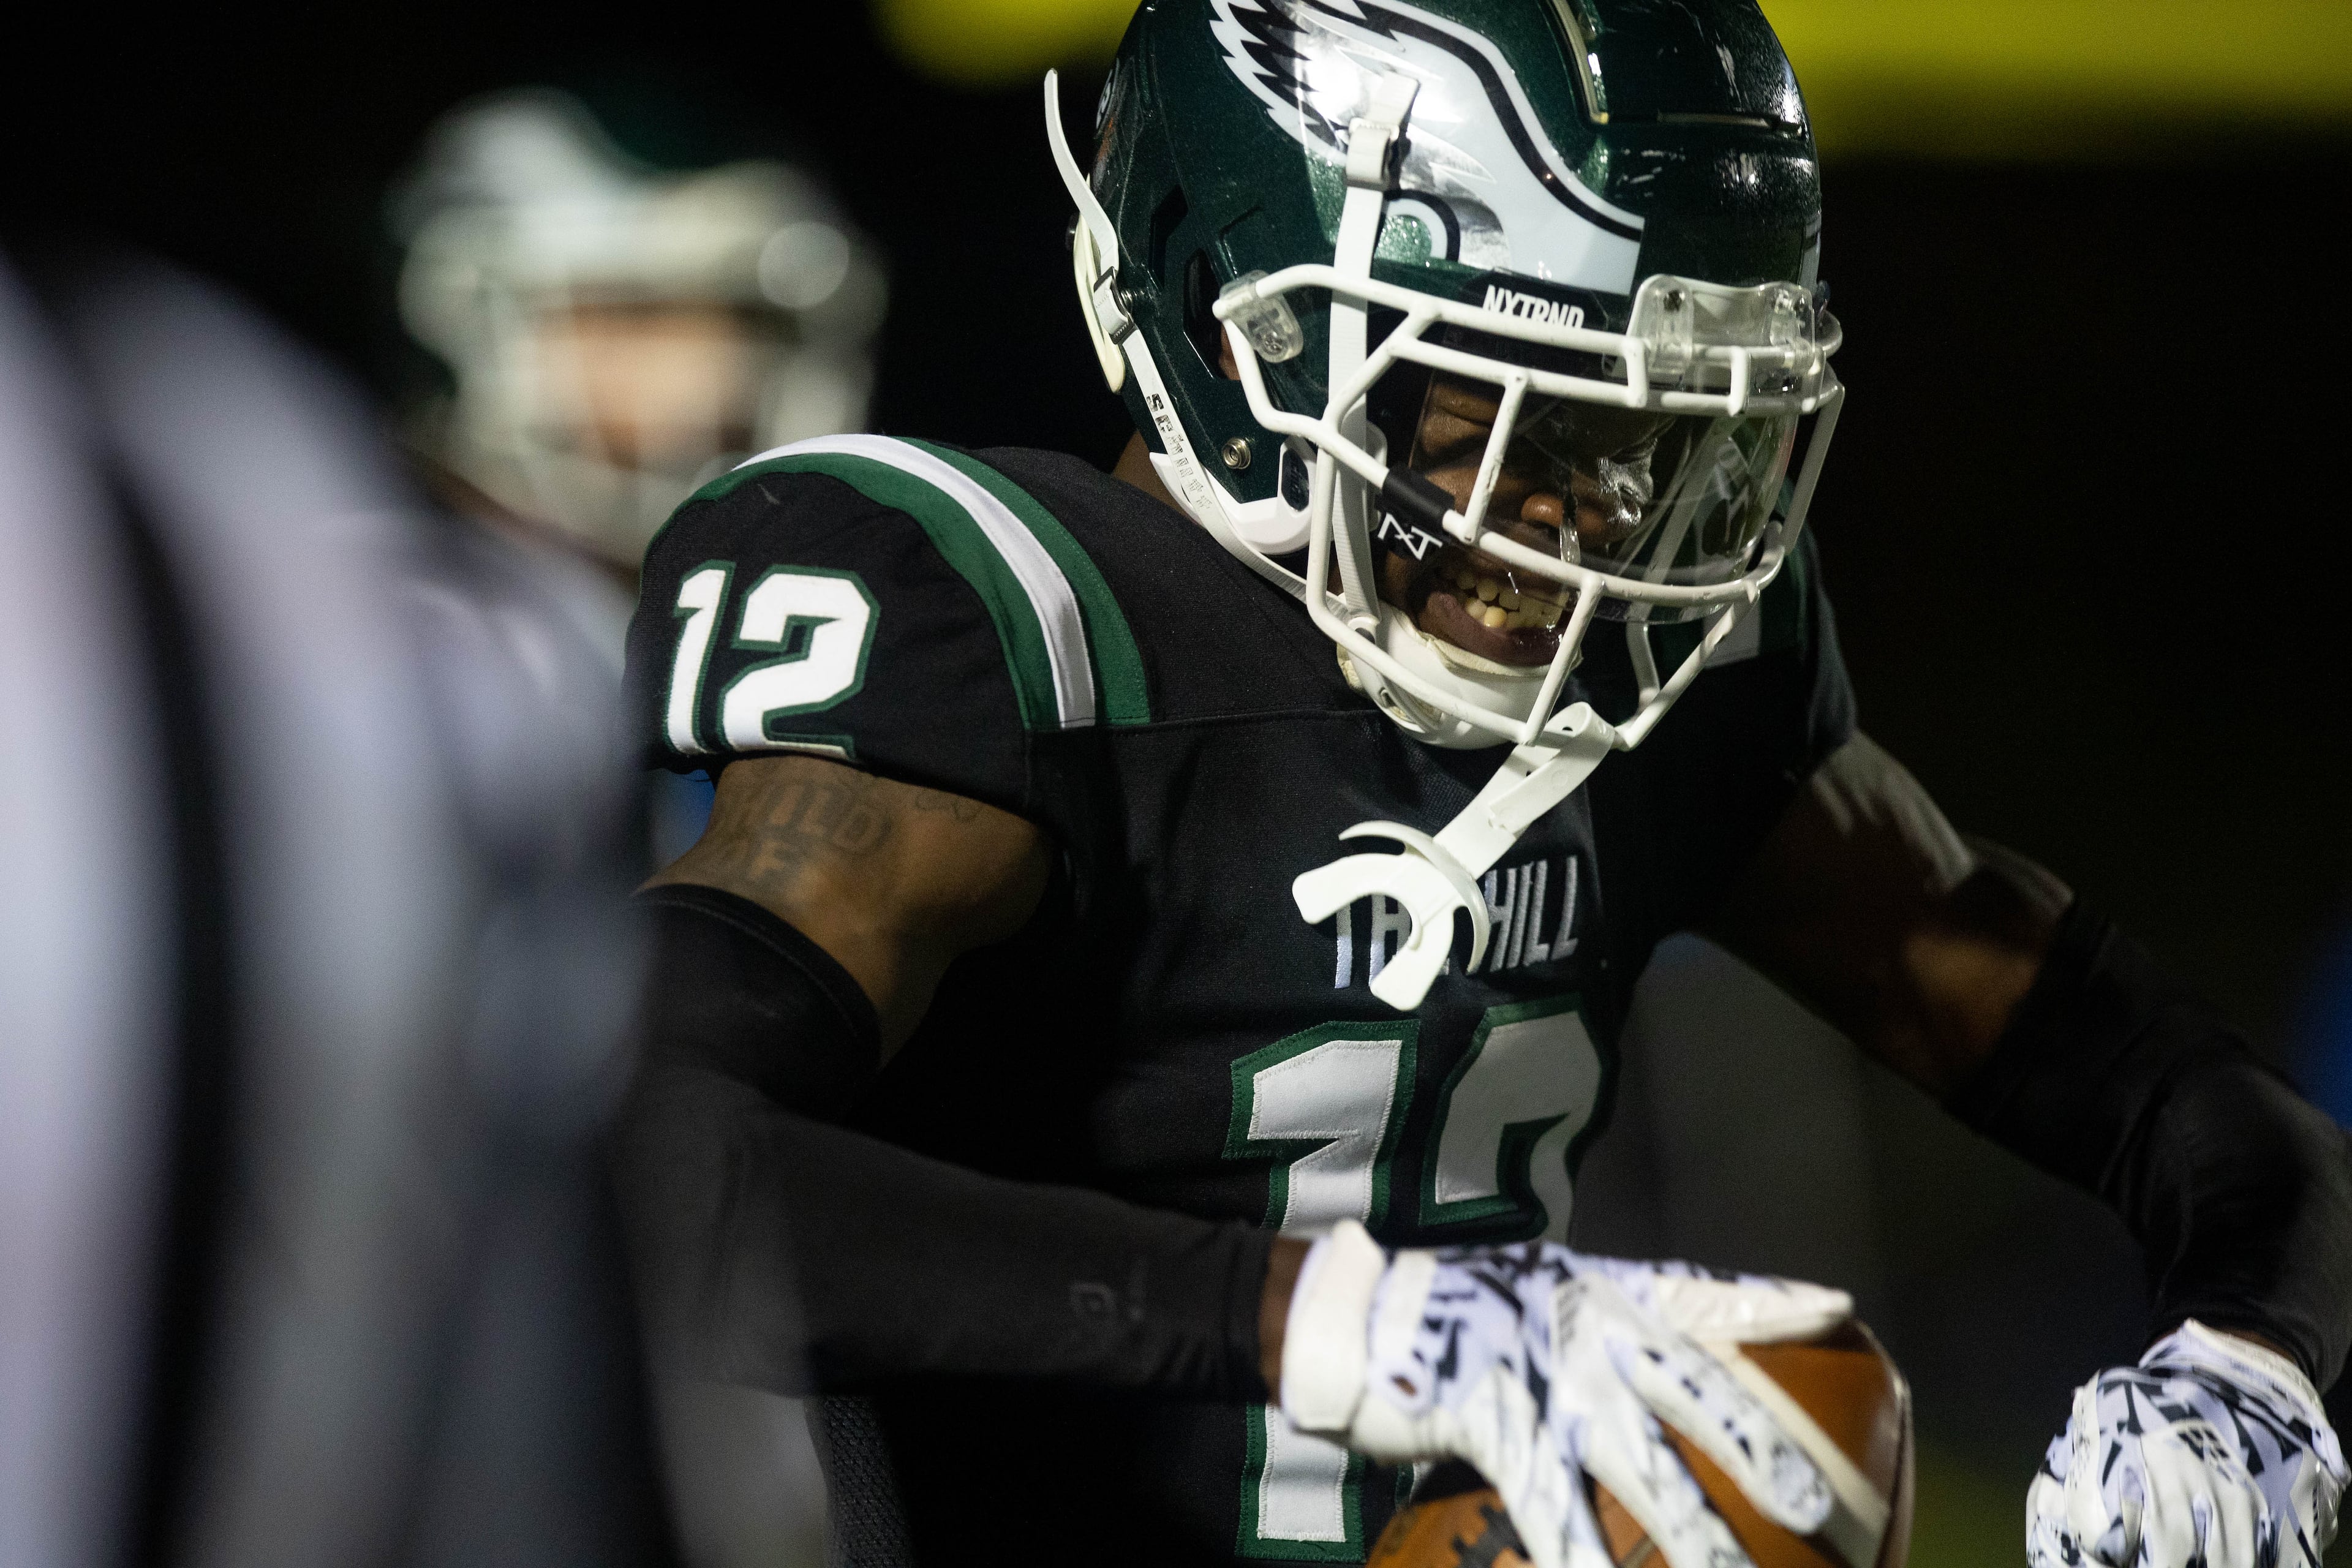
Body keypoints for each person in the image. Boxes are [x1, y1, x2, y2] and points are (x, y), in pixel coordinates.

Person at [613, 4, 2352, 1567]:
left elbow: (2167, 1089)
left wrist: (2249, 1358)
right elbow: (639, 1171)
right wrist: (1348, 1328)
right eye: (1512, 419)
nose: (1602, 524)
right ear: (1230, 326)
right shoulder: (1015, 628)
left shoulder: (1660, 663)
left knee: (1779, 1462)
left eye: (1666, 434)